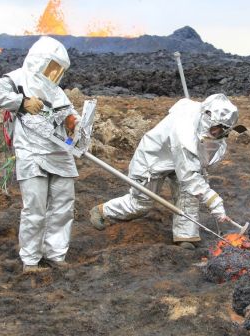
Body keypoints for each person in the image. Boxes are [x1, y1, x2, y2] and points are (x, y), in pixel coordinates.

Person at [89, 94, 238, 249]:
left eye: (222, 131)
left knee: (188, 196)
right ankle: (103, 211)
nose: (217, 134)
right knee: (140, 204)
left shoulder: (203, 117)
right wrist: (214, 202)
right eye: (216, 129)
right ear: (208, 119)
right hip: (152, 160)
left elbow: (201, 158)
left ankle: (186, 236)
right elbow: (189, 176)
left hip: (177, 160)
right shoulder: (184, 132)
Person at [0, 36, 80, 272]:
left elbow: (68, 115)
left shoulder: (56, 91)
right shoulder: (18, 78)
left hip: (59, 153)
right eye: (52, 66)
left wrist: (72, 123)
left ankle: (56, 254)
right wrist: (21, 102)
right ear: (41, 61)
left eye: (58, 69)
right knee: (35, 208)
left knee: (63, 205)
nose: (54, 72)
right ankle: (30, 260)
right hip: (31, 152)